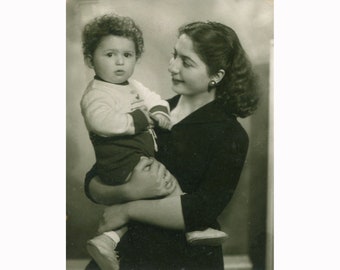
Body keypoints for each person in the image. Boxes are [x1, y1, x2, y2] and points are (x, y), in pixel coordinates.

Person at [84, 21, 258, 270]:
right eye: (175, 54)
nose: (172, 66)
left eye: (186, 62)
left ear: (216, 76)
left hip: (182, 257)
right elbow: (95, 177)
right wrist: (128, 190)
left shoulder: (230, 134)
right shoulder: (148, 111)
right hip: (126, 252)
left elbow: (201, 211)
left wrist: (126, 210)